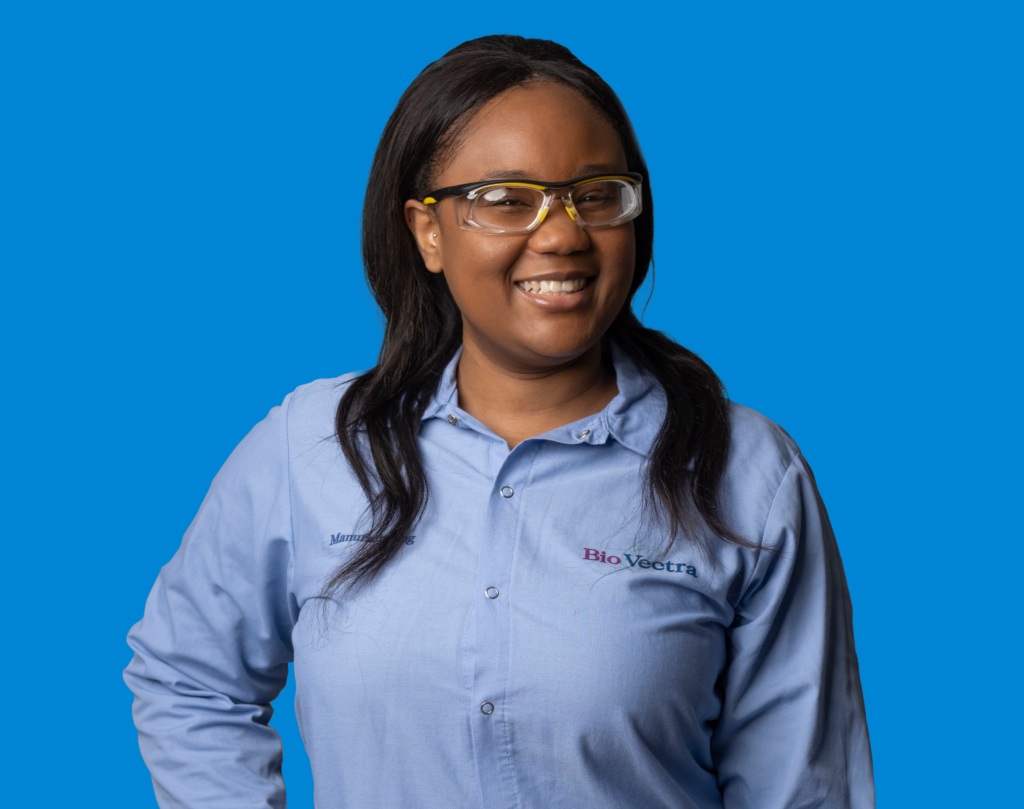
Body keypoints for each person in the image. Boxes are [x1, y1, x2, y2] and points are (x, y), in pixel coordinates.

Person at [124, 34, 874, 809]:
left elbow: (808, 790)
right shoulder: (313, 447)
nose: (561, 234)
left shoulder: (747, 472)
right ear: (427, 231)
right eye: (507, 200)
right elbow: (186, 677)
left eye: (596, 195)